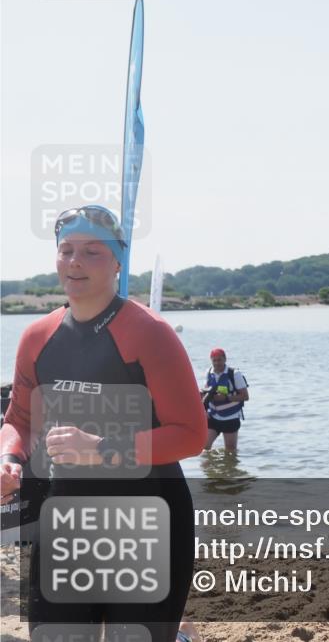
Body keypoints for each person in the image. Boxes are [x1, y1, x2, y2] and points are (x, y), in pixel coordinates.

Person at [0, 205, 206, 642]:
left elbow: (191, 434)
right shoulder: (37, 337)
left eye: (93, 251)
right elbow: (19, 419)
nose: (75, 261)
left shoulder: (149, 332)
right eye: (67, 250)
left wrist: (101, 448)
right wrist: (10, 458)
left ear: (118, 262)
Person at [203, 348, 249, 452]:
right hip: (213, 416)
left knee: (230, 451)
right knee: (204, 446)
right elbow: (206, 392)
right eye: (214, 360)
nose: (217, 363)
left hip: (230, 417)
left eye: (219, 360)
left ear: (225, 359)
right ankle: (211, 466)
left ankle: (228, 468)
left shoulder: (234, 374)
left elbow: (245, 396)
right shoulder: (208, 372)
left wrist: (227, 397)